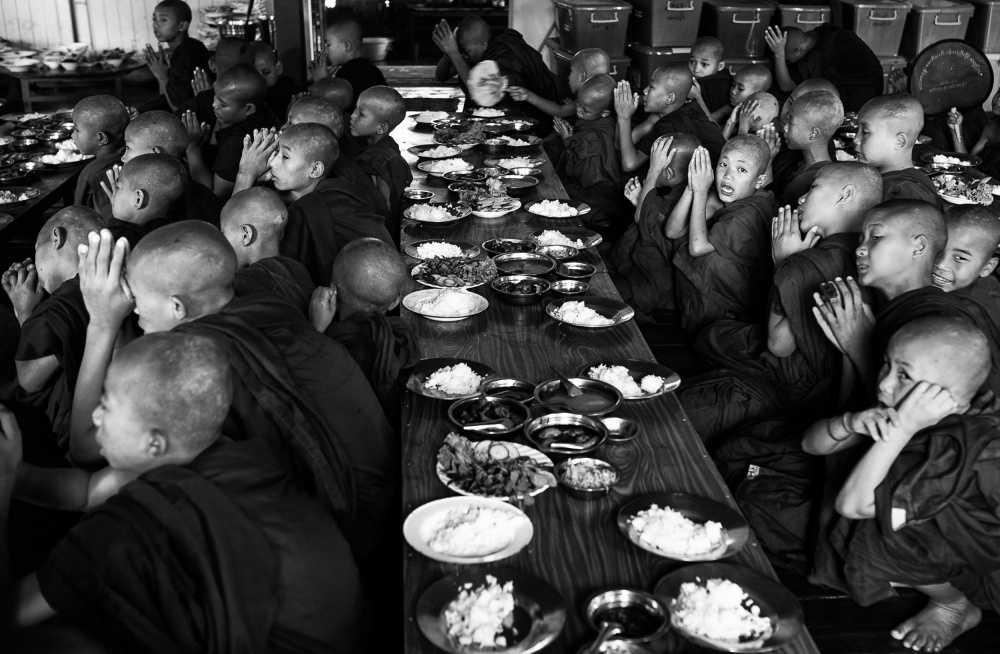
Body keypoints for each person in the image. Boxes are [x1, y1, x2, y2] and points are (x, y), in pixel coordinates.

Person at [3, 331, 370, 652]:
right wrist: (13, 471)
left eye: (106, 406)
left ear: (155, 444)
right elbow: (85, 492)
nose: (94, 418)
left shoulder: (128, 531)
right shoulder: (223, 454)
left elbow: (8, 615)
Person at [70, 225, 396, 561]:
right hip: (385, 500)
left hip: (334, 542)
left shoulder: (195, 364)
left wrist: (102, 322)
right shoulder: (270, 308)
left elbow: (86, 448)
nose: (132, 309)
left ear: (178, 308)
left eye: (136, 298)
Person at [805, 316, 998, 653]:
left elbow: (852, 505)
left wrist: (902, 430)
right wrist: (850, 422)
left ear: (952, 401)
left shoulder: (954, 446)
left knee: (876, 537)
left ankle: (955, 604)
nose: (883, 384)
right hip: (939, 528)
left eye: (904, 375)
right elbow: (810, 444)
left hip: (989, 563)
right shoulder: (906, 407)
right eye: (886, 365)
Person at [680, 162, 883, 446]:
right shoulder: (862, 253)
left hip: (792, 387)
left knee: (673, 413)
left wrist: (784, 264)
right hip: (826, 382)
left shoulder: (814, 261)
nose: (801, 198)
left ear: (845, 195)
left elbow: (780, 344)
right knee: (712, 336)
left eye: (813, 188)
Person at [2, 208, 103, 451]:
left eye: (36, 249)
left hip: (72, 439)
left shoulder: (68, 300)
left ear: (56, 237)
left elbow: (29, 380)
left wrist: (24, 311)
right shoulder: (103, 278)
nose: (35, 263)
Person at [668, 135, 776, 336]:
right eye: (723, 165)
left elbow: (697, 248)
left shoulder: (749, 213)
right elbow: (673, 231)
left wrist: (700, 193)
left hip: (742, 300)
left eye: (741, 170)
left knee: (705, 256)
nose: (728, 175)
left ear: (760, 181)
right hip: (722, 291)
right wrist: (692, 187)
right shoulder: (721, 196)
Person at [311, 238, 419, 431]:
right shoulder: (402, 338)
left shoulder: (328, 347)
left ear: (332, 289)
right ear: (395, 302)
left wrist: (314, 330)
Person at [269, 123, 392, 286]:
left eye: (285, 157)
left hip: (372, 285)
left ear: (315, 170)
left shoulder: (331, 202)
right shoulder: (331, 191)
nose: (272, 163)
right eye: (275, 152)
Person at [608, 134, 698, 317]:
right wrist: (641, 202)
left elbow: (646, 220)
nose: (650, 168)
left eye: (655, 165)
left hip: (654, 281)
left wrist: (652, 174)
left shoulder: (686, 198)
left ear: (669, 174)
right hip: (646, 268)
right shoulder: (678, 191)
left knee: (607, 294)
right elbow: (651, 219)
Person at [433, 16, 558, 134]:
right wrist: (448, 54)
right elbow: (441, 76)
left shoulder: (503, 56)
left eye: (466, 51)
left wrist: (454, 53)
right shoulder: (472, 54)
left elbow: (481, 91)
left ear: (484, 45)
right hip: (484, 123)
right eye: (461, 51)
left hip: (523, 124)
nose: (463, 55)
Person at [274, 95, 386, 212]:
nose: (283, 128)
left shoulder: (337, 178)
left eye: (292, 125)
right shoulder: (329, 157)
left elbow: (306, 200)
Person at [553, 74, 631, 242]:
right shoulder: (602, 122)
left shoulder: (594, 138)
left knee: (553, 192)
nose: (578, 111)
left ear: (605, 113)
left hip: (598, 202)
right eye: (578, 104)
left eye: (585, 110)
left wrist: (568, 141)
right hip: (601, 196)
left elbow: (585, 177)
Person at [184, 63, 277, 201]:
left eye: (223, 104)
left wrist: (192, 147)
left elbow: (213, 196)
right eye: (215, 96)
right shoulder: (263, 109)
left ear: (249, 108)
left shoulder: (237, 141)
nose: (214, 105)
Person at [115, 109, 222, 226]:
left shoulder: (155, 206)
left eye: (128, 148)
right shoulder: (201, 191)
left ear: (154, 153)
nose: (123, 157)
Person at [222, 187, 315, 317]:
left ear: (246, 235)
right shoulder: (298, 270)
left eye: (223, 233)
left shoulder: (243, 286)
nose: (222, 242)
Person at [615, 65, 726, 173]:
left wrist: (623, 118)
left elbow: (629, 164)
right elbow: (620, 145)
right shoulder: (691, 107)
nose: (645, 90)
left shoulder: (668, 125)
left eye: (652, 87)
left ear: (669, 98)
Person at [765, 24, 883, 113]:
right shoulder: (825, 31)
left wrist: (779, 54)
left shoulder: (820, 55)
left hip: (861, 97)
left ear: (799, 50)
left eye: (788, 60)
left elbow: (786, 86)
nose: (787, 63)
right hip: (872, 85)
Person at [854, 94, 944, 210]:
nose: (855, 139)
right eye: (857, 130)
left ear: (899, 142)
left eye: (865, 132)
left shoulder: (904, 193)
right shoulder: (890, 181)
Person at [351, 86, 412, 244]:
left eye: (361, 114)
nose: (352, 116)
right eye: (355, 109)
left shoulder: (375, 161)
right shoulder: (388, 146)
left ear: (382, 127)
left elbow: (385, 208)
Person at [137, 0, 210, 112]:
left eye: (163, 20)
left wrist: (161, 75)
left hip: (195, 116)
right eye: (154, 19)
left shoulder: (183, 55)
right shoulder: (195, 44)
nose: (156, 24)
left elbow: (177, 109)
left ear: (182, 25)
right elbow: (165, 96)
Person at [105, 153, 188, 247]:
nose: (114, 194)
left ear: (138, 199)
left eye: (118, 188)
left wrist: (115, 222)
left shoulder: (117, 241)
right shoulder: (175, 236)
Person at [777, 90, 842, 206]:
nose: (785, 128)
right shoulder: (801, 162)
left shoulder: (810, 180)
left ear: (813, 134)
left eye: (790, 123)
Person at [508, 47, 611, 119]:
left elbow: (559, 111)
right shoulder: (589, 100)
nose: (569, 76)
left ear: (582, 76)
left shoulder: (592, 103)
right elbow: (560, 110)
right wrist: (528, 95)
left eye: (571, 71)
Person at [71, 95, 130, 216]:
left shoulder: (101, 176)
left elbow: (106, 221)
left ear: (101, 138)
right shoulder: (128, 158)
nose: (72, 135)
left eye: (77, 130)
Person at [313, 18, 387, 112]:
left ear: (347, 46)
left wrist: (321, 82)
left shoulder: (346, 73)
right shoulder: (374, 70)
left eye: (328, 45)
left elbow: (331, 111)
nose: (325, 51)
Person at [249, 41, 298, 123]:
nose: (261, 80)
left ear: (278, 68)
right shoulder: (250, 98)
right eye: (254, 76)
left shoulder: (289, 90)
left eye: (266, 73)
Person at [688, 36, 733, 122]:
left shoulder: (720, 85)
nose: (696, 69)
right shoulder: (694, 81)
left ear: (720, 66)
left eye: (704, 64)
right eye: (692, 62)